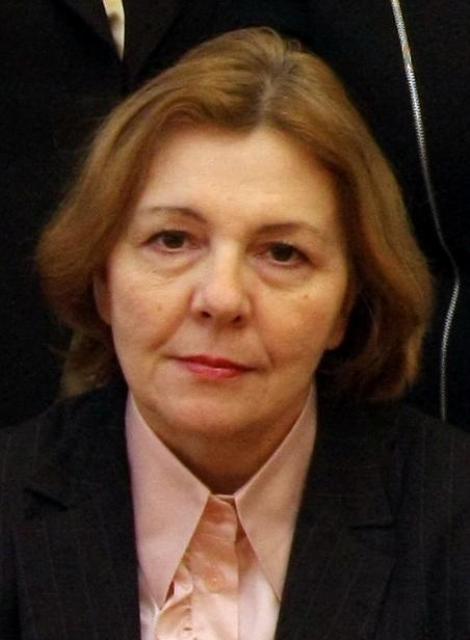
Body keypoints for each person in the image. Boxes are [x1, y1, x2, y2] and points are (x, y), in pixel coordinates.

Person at [2, 28, 470, 639]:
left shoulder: (452, 522)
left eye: (282, 253)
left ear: (346, 306)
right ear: (102, 279)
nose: (221, 299)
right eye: (173, 240)